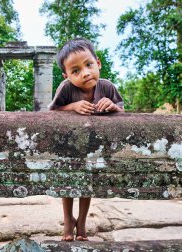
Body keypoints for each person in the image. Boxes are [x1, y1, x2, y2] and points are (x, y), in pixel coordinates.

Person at [49, 38, 124, 241]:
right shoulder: (66, 88)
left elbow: (122, 111)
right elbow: (52, 111)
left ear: (98, 63)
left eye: (89, 65)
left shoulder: (107, 87)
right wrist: (73, 106)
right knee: (67, 183)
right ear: (67, 75)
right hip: (69, 145)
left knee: (86, 184)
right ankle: (67, 220)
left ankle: (81, 221)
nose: (85, 73)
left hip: (93, 147)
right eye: (75, 71)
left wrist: (112, 106)